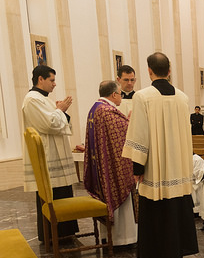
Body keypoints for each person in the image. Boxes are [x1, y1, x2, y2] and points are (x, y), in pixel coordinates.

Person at [122, 52, 198, 258]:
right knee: (177, 206)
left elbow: (139, 133)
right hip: (179, 166)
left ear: (149, 71)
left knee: (156, 207)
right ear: (170, 70)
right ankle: (178, 251)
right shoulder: (183, 97)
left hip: (155, 166)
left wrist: (137, 166)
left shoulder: (143, 97)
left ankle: (157, 254)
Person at [23, 65, 79, 242]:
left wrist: (61, 111)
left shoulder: (44, 99)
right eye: (52, 80)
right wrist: (60, 110)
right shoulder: (32, 99)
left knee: (63, 193)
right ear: (41, 79)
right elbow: (48, 124)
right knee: (52, 196)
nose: (54, 84)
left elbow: (57, 122)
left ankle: (65, 232)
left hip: (56, 155)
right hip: (47, 157)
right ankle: (52, 234)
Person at [83, 80, 136, 246]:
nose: (121, 98)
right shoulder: (107, 112)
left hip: (102, 165)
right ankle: (123, 239)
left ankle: (108, 236)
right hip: (113, 167)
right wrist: (130, 122)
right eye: (120, 94)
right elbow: (123, 133)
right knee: (119, 192)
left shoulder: (95, 109)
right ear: (113, 94)